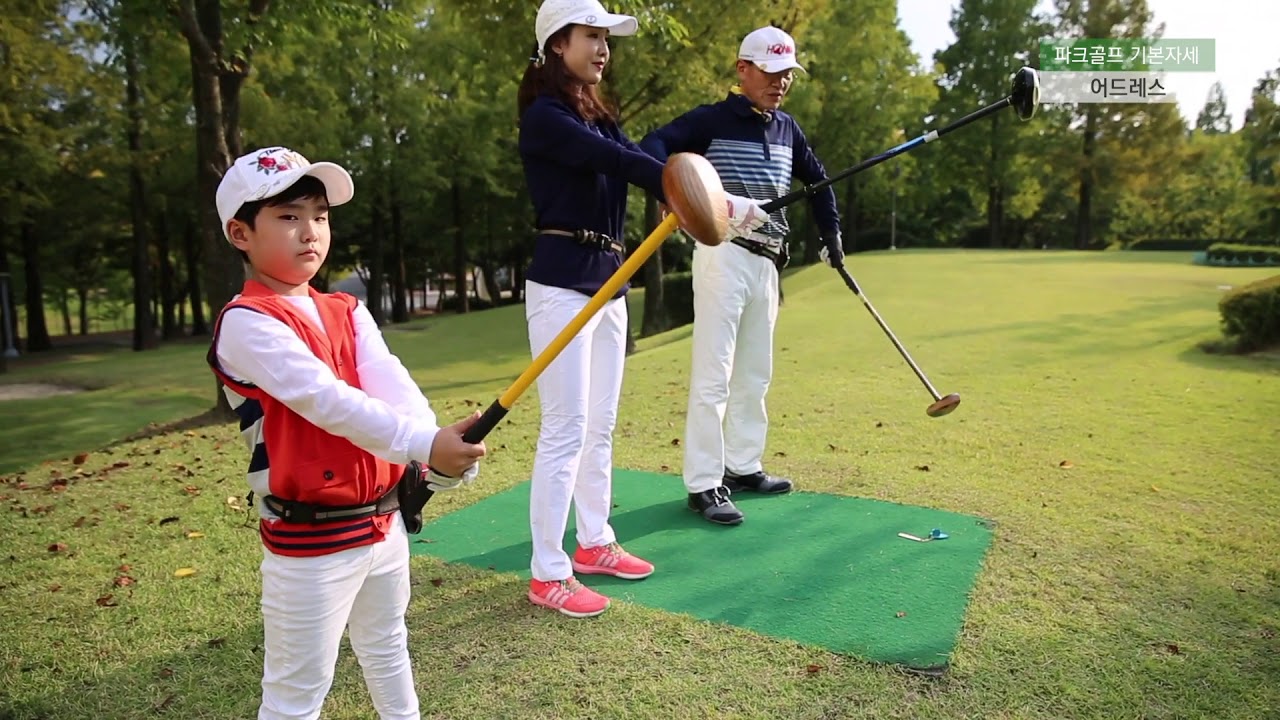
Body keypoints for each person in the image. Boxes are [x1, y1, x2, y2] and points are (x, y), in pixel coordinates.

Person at [206, 145, 486, 720]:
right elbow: (326, 401)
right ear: (240, 233)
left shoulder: (346, 309)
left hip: (383, 524)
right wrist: (426, 444)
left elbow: (391, 383)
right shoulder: (245, 323)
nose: (310, 231)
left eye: (320, 216)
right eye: (287, 217)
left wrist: (433, 449)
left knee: (387, 648)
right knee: (296, 695)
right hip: (309, 544)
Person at [516, 0, 770, 617]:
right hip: (561, 283)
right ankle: (547, 572)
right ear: (558, 44)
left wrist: (720, 204)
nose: (603, 48)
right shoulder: (546, 115)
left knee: (600, 426)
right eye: (591, 36)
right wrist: (688, 188)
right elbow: (623, 164)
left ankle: (594, 541)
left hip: (610, 280)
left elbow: (640, 159)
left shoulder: (599, 115)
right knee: (566, 429)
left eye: (607, 38)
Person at [640, 26, 844, 526]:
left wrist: (832, 236)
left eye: (787, 76)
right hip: (722, 254)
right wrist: (684, 196)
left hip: (768, 262)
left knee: (755, 373)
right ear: (743, 70)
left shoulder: (787, 129)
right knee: (715, 374)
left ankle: (743, 465)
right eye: (771, 74)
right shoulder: (711, 121)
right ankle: (704, 484)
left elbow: (819, 182)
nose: (780, 84)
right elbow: (652, 147)